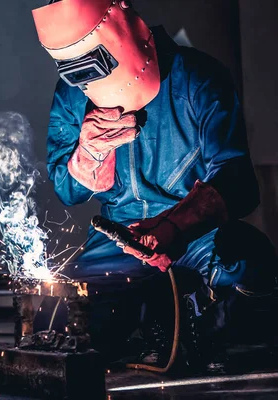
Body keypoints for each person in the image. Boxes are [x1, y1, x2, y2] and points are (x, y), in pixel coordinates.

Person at [32, 0, 277, 368]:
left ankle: (198, 316)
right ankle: (151, 313)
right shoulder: (71, 93)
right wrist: (89, 154)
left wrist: (175, 226)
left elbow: (239, 183)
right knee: (56, 324)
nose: (90, 83)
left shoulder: (197, 76)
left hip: (196, 237)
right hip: (119, 240)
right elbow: (68, 191)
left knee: (248, 259)